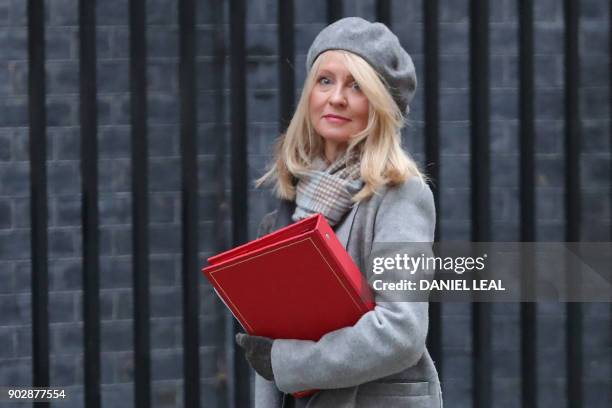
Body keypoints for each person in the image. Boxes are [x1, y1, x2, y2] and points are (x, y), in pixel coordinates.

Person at [235, 17, 442, 408]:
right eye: (325, 80)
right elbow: (274, 340)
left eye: (357, 85)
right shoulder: (291, 204)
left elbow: (401, 332)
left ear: (380, 104)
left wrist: (286, 362)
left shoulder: (400, 196)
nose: (336, 98)